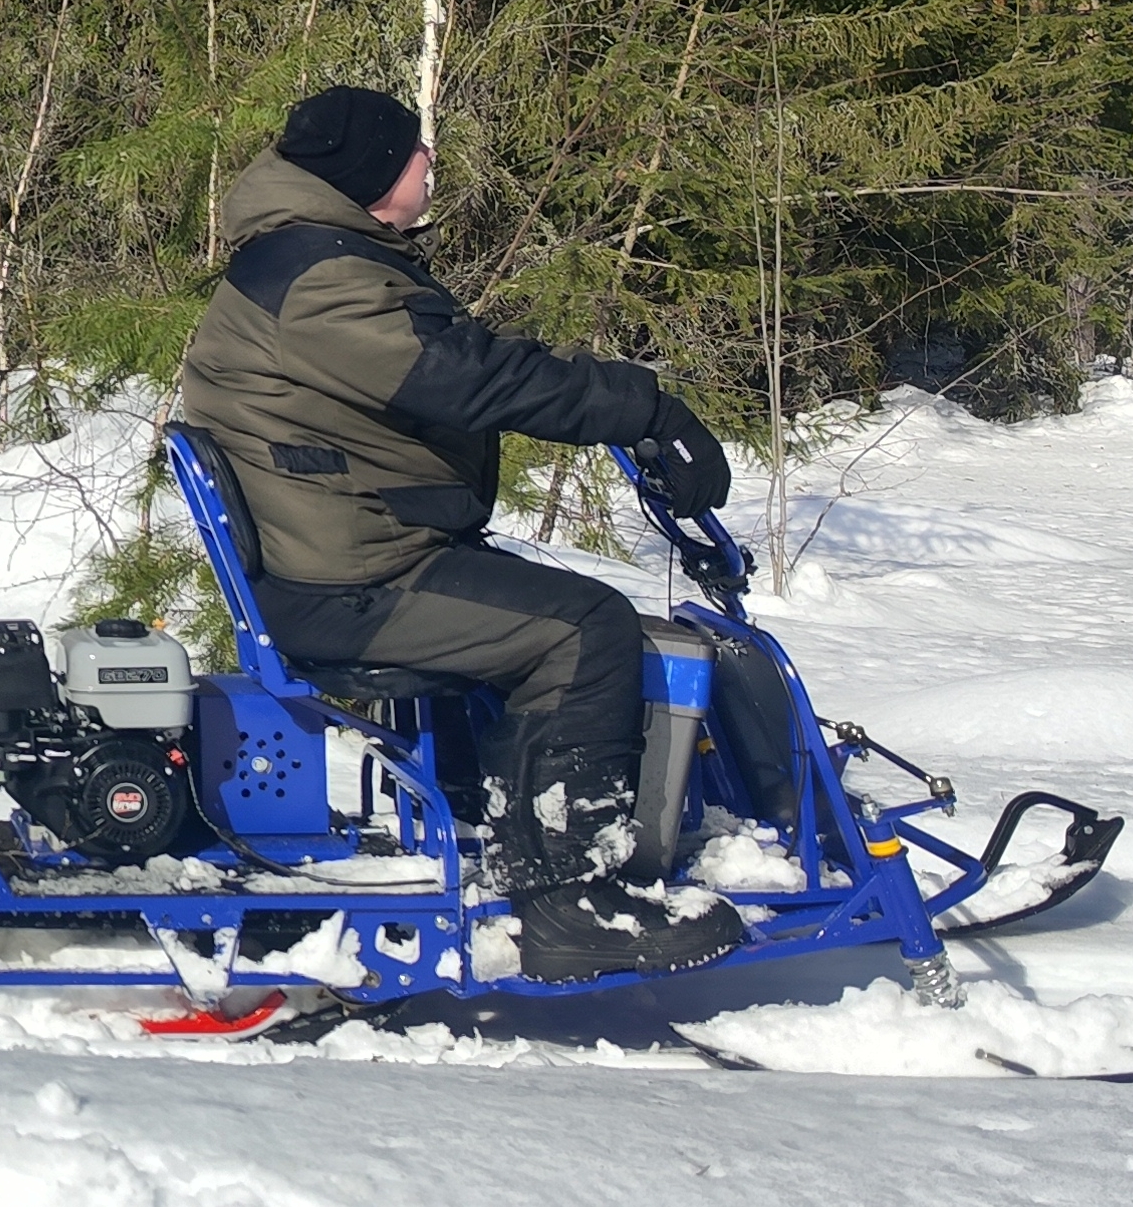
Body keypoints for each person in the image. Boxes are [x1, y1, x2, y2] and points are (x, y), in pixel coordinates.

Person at [172, 85, 745, 981]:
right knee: (583, 627)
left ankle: (498, 823)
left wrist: (603, 397)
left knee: (537, 606)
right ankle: (567, 899)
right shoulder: (321, 277)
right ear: (372, 173)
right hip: (349, 578)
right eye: (414, 150)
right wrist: (640, 407)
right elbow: (463, 377)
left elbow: (461, 360)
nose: (429, 161)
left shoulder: (318, 255)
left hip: (347, 548)